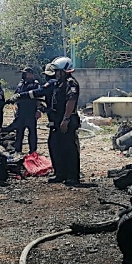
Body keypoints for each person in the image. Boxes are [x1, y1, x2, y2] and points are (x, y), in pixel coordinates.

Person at [49, 56, 81, 186]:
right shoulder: (59, 83)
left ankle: (72, 176)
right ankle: (60, 173)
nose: (56, 74)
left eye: (58, 71)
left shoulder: (71, 83)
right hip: (58, 120)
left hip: (67, 120)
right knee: (56, 146)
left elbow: (71, 101)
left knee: (69, 148)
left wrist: (66, 119)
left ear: (64, 71)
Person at [9, 67, 41, 155]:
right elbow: (16, 95)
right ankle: (18, 150)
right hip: (21, 112)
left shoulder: (35, 84)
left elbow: (39, 98)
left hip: (31, 111)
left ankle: (33, 152)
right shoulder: (21, 84)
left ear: (31, 74)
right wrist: (15, 106)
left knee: (32, 133)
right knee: (19, 132)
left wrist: (38, 110)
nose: (24, 75)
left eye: (26, 73)